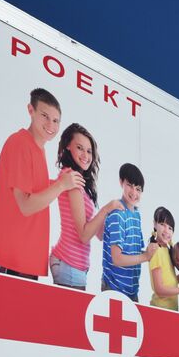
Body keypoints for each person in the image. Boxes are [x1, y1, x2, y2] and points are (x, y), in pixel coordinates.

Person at [0, 89, 83, 279]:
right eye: (45, 116)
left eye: (55, 120)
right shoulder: (20, 144)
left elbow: (36, 188)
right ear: (31, 110)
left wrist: (64, 183)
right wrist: (61, 185)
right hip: (8, 259)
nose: (50, 125)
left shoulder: (38, 149)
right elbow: (26, 205)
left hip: (25, 260)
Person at [47, 122, 123, 289]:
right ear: (68, 147)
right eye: (80, 148)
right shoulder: (71, 178)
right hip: (68, 264)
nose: (86, 155)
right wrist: (106, 209)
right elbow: (83, 234)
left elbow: (99, 234)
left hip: (74, 266)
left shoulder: (81, 184)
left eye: (89, 151)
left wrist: (116, 217)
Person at [101, 163, 155, 300]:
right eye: (130, 185)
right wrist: (145, 257)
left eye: (138, 189)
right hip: (114, 289)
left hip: (132, 292)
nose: (134, 193)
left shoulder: (136, 215)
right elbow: (117, 258)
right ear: (121, 182)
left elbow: (136, 253)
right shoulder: (117, 214)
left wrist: (153, 252)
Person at [146, 207, 179, 309]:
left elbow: (169, 282)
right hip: (160, 311)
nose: (166, 231)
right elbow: (159, 289)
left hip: (170, 312)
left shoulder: (167, 250)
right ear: (155, 224)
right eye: (162, 225)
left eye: (170, 228)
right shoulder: (155, 250)